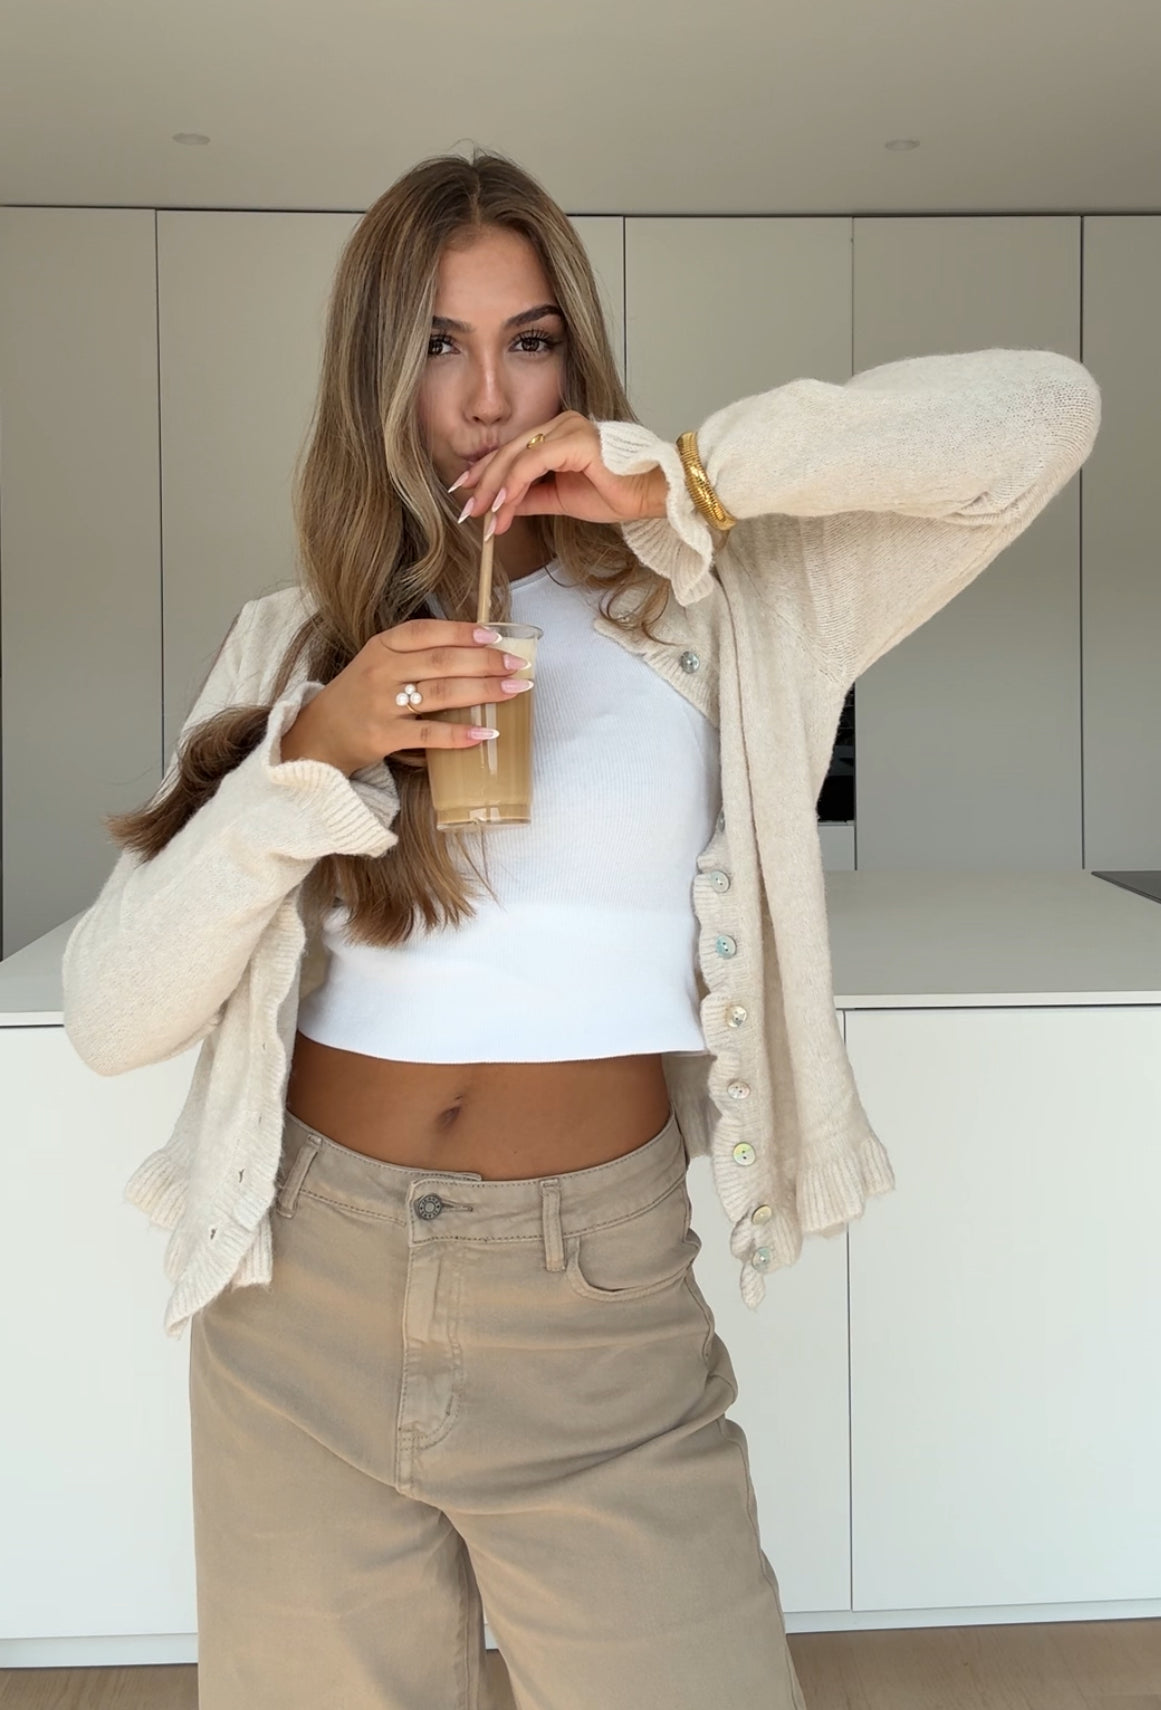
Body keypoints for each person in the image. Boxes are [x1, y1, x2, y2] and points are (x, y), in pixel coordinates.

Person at [61, 148, 1102, 1710]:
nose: (487, 397)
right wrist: (313, 752)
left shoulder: (723, 601)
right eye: (438, 344)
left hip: (594, 1307)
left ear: (575, 359)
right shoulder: (290, 646)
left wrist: (689, 474)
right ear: (376, 374)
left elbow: (1041, 418)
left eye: (528, 339)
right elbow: (111, 1013)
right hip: (293, 1293)